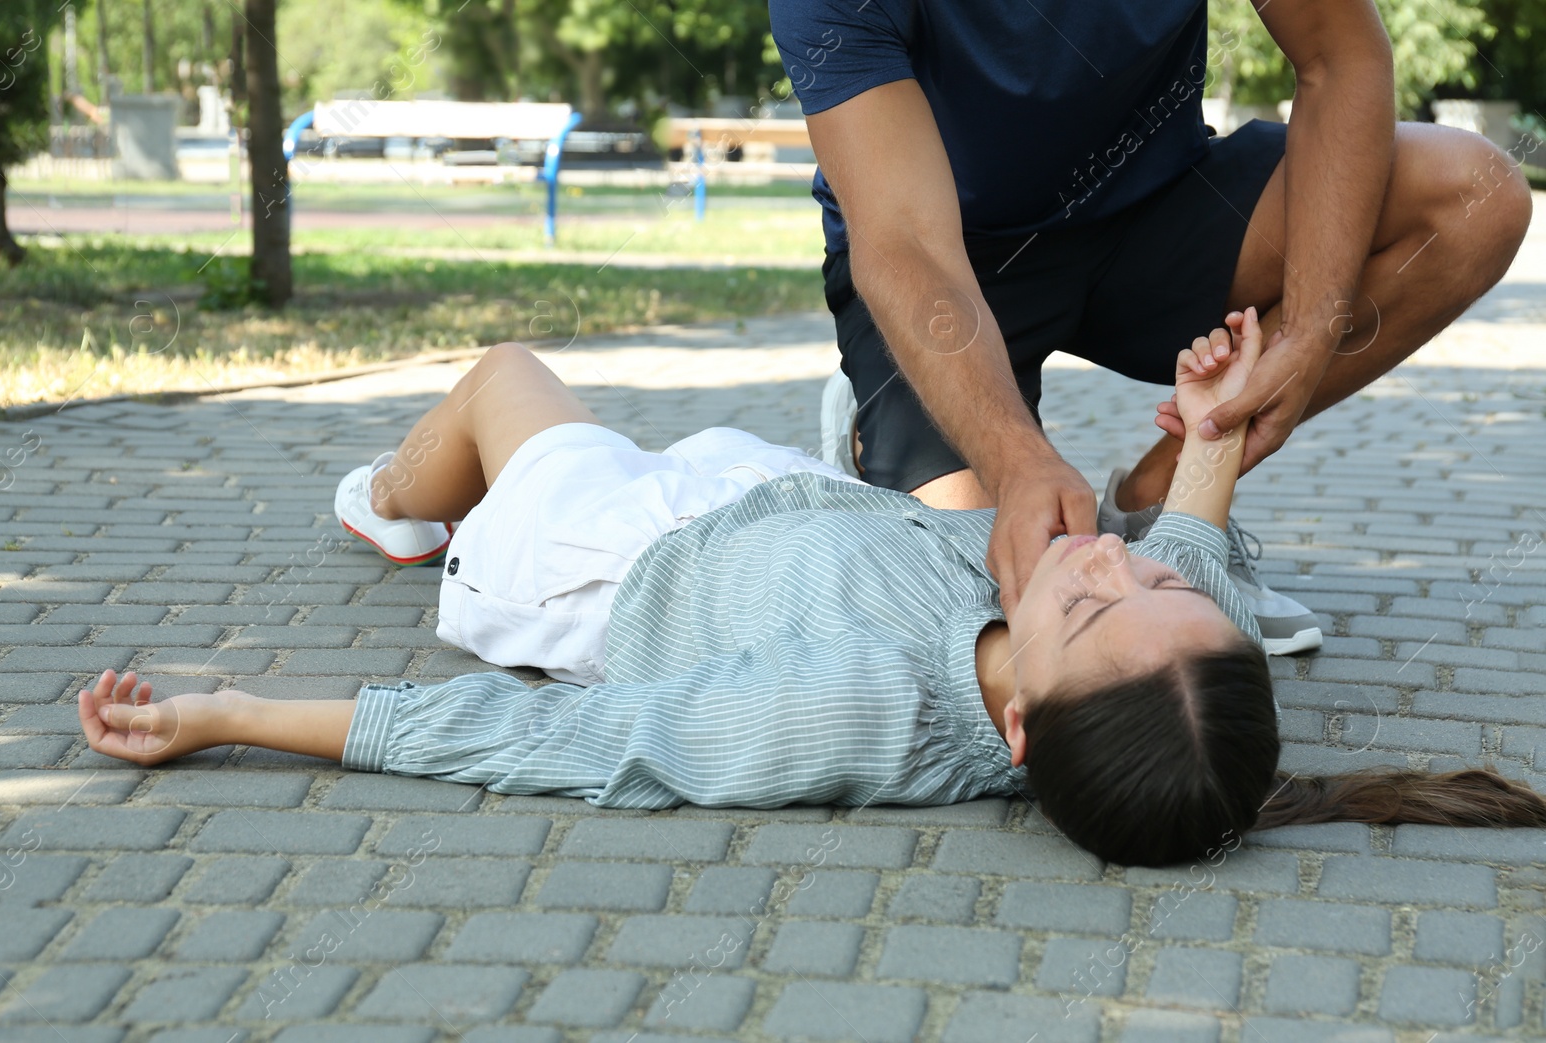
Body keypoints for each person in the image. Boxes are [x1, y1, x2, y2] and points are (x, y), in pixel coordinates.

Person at [78, 315, 1546, 867]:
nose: (1108, 549)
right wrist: (1212, 436)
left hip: (609, 559)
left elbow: (563, 744)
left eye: (1095, 598)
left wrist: (235, 713)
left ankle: (396, 512)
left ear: (1022, 730)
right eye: (1138, 563)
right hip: (774, 504)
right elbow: (1200, 566)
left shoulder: (839, 713)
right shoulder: (1143, 658)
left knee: (505, 377)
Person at [771, 0, 1533, 655]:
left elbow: (1341, 58)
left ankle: (1167, 506)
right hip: (951, 256)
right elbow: (903, 238)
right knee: (988, 604)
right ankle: (887, 417)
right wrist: (1015, 462)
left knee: (1477, 196)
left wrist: (1310, 330)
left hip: (1156, 206)